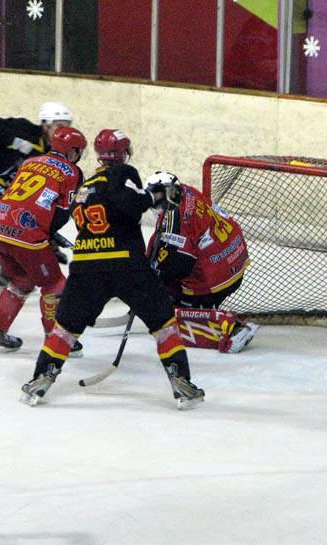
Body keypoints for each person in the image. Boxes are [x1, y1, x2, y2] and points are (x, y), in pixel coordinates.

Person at [20, 129, 205, 410]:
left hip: (86, 266)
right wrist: (156, 197)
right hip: (126, 264)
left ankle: (41, 378)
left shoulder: (85, 186)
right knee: (164, 323)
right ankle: (180, 381)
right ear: (124, 153)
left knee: (65, 328)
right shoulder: (123, 173)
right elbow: (130, 203)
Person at [0, 126, 86, 356]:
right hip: (25, 232)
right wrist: (47, 232)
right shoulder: (71, 172)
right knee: (54, 285)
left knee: (21, 281)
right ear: (73, 151)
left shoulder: (30, 162)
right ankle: (55, 339)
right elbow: (62, 212)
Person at [0, 101, 74, 304]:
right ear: (46, 124)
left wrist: (47, 237)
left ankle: (9, 275)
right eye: (59, 125)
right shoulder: (22, 129)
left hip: (7, 190)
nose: (63, 131)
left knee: (15, 228)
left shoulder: (50, 155)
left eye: (67, 126)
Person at [145, 171, 259, 353]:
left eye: (157, 195)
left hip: (216, 275)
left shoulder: (177, 217)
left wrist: (152, 278)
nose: (154, 200)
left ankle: (232, 328)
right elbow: (161, 236)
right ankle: (205, 307)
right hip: (234, 257)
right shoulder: (186, 191)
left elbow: (182, 264)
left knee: (167, 321)